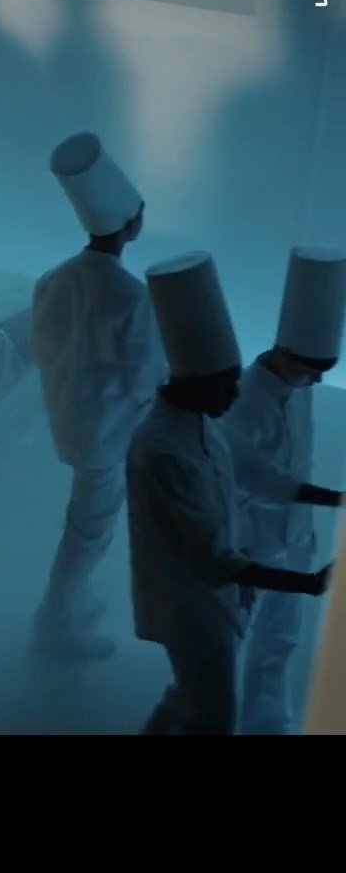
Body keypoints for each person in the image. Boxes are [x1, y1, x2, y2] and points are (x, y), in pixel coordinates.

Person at [130, 253, 332, 735]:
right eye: (226, 385)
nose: (235, 394)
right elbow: (207, 553)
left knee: (191, 697)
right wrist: (305, 583)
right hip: (193, 606)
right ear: (196, 382)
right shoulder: (163, 452)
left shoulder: (202, 425)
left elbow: (233, 500)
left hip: (224, 585)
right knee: (211, 716)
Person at [29, 132, 168, 661]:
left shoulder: (53, 280)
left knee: (86, 526)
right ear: (131, 223)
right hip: (108, 437)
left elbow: (44, 349)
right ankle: (55, 626)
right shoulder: (131, 296)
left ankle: (75, 605)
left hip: (68, 423)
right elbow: (144, 379)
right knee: (87, 536)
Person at [225, 247, 346, 734]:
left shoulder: (298, 391)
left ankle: (268, 724)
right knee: (227, 641)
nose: (319, 379)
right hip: (248, 542)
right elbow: (252, 477)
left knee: (280, 640)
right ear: (286, 353)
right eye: (314, 368)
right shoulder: (243, 399)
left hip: (292, 538)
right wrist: (336, 499)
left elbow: (296, 460)